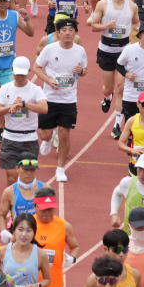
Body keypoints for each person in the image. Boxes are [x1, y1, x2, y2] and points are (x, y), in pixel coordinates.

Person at [34, 16, 88, 182]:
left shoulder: (80, 50)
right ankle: (48, 139)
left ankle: (60, 168)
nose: (67, 33)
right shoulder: (50, 49)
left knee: (64, 134)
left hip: (68, 100)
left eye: (70, 30)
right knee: (44, 135)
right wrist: (49, 81)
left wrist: (81, 71)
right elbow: (36, 67)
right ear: (57, 32)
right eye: (64, 30)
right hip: (49, 98)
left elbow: (84, 71)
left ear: (75, 33)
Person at [91, 0, 139, 131]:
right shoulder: (103, 4)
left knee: (121, 88)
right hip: (106, 50)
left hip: (124, 51)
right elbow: (93, 26)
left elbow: (136, 23)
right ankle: (106, 97)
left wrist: (143, 28)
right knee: (109, 88)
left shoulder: (132, 6)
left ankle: (117, 124)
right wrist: (106, 26)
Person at [0, 56, 49, 184]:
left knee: (26, 179)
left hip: (29, 140)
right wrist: (10, 107)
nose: (20, 77)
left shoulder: (35, 90)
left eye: (23, 74)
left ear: (29, 71)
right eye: (17, 74)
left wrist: (24, 104)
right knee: (12, 177)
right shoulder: (5, 88)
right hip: (9, 139)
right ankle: (11, 203)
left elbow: (44, 108)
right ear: (12, 70)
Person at [34, 187, 80, 287]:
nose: (47, 213)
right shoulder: (26, 224)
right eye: (43, 209)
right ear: (35, 206)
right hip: (30, 282)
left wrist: (72, 258)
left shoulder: (64, 225)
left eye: (51, 209)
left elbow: (75, 246)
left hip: (53, 284)